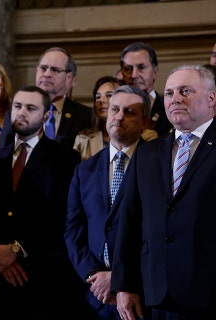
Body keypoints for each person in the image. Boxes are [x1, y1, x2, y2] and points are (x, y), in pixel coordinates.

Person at [0, 85, 90, 319]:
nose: (22, 112)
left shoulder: (64, 158)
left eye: (31, 108)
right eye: (17, 106)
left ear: (46, 116)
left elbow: (60, 216)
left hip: (40, 274)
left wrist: (16, 249)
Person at [112, 65, 216, 320]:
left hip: (209, 293)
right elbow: (129, 222)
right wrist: (124, 284)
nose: (175, 98)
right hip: (156, 293)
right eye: (169, 93)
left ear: (212, 98)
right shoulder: (147, 153)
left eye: (186, 91)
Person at [65, 85, 151, 320]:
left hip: (141, 294)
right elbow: (73, 231)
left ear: (144, 123)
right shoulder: (84, 170)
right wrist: (95, 275)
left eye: (129, 112)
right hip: (95, 296)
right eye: (115, 109)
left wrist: (121, 277)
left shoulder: (158, 165)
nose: (119, 116)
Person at [30, 47, 93, 150]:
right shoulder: (17, 112)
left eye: (55, 70)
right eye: (43, 68)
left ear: (69, 77)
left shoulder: (86, 116)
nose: (46, 74)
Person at [119, 41, 172, 138]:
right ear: (122, 74)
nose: (134, 75)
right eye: (128, 69)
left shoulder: (169, 110)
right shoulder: (113, 111)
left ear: (155, 72)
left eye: (141, 67)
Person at [72, 76, 124, 161]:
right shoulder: (83, 139)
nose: (101, 100)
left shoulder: (137, 137)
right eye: (98, 97)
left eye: (109, 95)